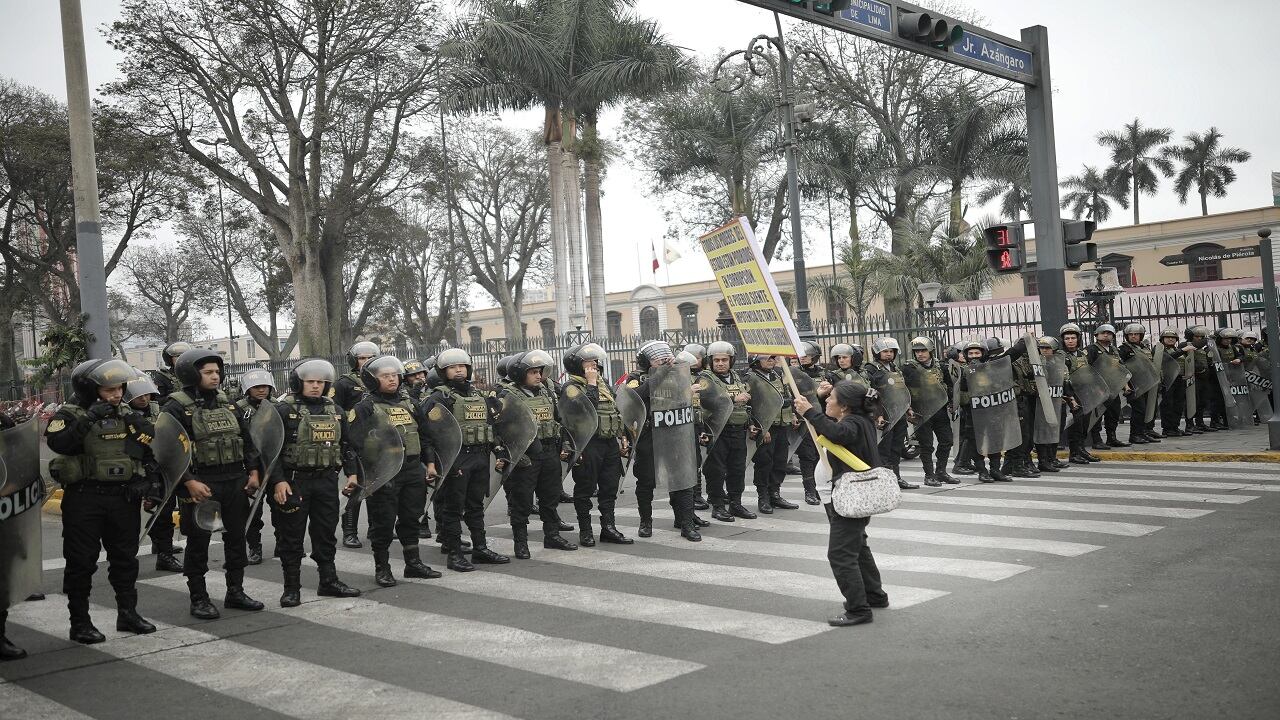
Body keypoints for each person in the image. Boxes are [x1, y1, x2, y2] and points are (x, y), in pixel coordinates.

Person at [45, 359, 160, 643]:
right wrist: (88, 419)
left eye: (119, 388)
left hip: (122, 498)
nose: (117, 394)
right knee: (81, 562)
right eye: (109, 390)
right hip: (85, 498)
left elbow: (146, 451)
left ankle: (128, 614)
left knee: (125, 559)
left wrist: (149, 482)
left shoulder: (127, 414)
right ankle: (80, 622)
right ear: (90, 390)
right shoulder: (70, 414)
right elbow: (60, 444)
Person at [162, 348, 265, 619]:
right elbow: (169, 451)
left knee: (235, 539)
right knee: (198, 543)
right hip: (201, 485)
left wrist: (253, 472)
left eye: (217, 371)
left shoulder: (228, 403)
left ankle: (236, 592)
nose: (215, 376)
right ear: (190, 373)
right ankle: (199, 598)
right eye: (208, 372)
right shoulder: (175, 406)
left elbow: (247, 441)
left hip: (234, 481)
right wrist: (189, 482)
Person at [792, 382, 888, 628]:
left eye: (831, 398)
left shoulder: (852, 424)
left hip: (851, 496)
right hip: (858, 495)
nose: (826, 402)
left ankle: (858, 609)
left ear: (845, 406)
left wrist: (809, 413)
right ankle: (874, 595)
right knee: (858, 545)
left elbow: (838, 433)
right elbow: (836, 428)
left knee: (840, 554)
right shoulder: (860, 419)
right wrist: (820, 399)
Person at [270, 359, 362, 606]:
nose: (315, 386)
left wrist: (352, 474)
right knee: (292, 537)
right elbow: (270, 451)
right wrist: (278, 481)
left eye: (320, 382)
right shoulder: (282, 409)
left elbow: (346, 446)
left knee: (326, 533)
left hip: (326, 481)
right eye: (310, 381)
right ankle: (291, 588)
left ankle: (328, 581)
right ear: (298, 383)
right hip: (294, 482)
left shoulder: (336, 411)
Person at [349, 355, 441, 587]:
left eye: (394, 375)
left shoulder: (410, 403)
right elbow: (354, 445)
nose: (392, 380)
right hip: (384, 471)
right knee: (383, 522)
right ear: (372, 380)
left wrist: (429, 463)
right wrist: (365, 475)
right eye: (385, 376)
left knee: (412, 518)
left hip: (412, 469)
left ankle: (413, 564)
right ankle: (383, 568)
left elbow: (425, 436)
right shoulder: (364, 408)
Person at [421, 349, 510, 571]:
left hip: (480, 458)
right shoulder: (438, 398)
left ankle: (480, 549)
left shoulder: (478, 395)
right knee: (453, 509)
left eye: (462, 366)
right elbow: (429, 435)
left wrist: (499, 452)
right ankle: (454, 554)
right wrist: (437, 463)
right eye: (452, 367)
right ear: (443, 372)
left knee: (475, 506)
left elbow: (491, 426)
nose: (458, 370)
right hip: (456, 461)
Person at [497, 350, 578, 556]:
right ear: (519, 374)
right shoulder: (508, 396)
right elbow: (500, 429)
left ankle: (552, 536)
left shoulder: (547, 393)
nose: (538, 376)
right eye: (532, 372)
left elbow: (559, 421)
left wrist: (566, 445)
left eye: (539, 371)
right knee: (521, 502)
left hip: (549, 452)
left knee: (550, 498)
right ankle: (521, 543)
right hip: (526, 456)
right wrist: (513, 454)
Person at [625, 341, 701, 540]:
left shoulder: (677, 374)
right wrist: (659, 374)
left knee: (682, 479)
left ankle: (686, 523)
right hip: (649, 436)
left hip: (675, 433)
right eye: (656, 358)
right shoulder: (636, 378)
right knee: (646, 480)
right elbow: (635, 399)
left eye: (665, 357)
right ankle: (646, 522)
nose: (663, 360)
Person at [561, 343, 633, 547]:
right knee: (585, 488)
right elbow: (586, 411)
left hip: (608, 443)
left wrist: (622, 437)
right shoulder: (572, 387)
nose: (594, 364)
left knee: (609, 487)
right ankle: (586, 531)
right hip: (587, 444)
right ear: (577, 364)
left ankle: (608, 528)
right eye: (588, 361)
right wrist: (591, 384)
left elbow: (614, 410)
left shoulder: (603, 383)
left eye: (595, 360)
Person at [121, 373, 184, 573]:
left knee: (165, 509)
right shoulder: (121, 414)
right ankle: (134, 555)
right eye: (138, 395)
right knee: (128, 518)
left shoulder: (160, 411)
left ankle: (163, 550)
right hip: (135, 470)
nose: (144, 398)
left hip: (160, 467)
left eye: (147, 394)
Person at [699, 341, 757, 523]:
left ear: (731, 361)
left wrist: (750, 423)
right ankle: (717, 506)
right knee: (715, 471)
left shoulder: (736, 377)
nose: (720, 363)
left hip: (738, 430)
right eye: (716, 360)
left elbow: (744, 406)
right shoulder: (705, 378)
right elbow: (709, 400)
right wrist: (733, 397)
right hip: (717, 431)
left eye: (724, 360)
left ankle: (735, 503)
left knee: (737, 470)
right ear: (711, 361)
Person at [146, 341, 191, 568]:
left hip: (187, 442)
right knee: (164, 500)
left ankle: (163, 542)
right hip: (166, 439)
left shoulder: (192, 376)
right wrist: (178, 398)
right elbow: (155, 401)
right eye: (177, 356)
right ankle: (162, 548)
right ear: (169, 359)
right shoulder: (162, 377)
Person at [336, 340, 379, 549]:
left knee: (377, 487)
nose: (367, 361)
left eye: (371, 357)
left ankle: (375, 528)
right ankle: (350, 532)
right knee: (355, 488)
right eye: (362, 358)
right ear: (354, 361)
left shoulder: (382, 379)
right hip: (355, 442)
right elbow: (334, 411)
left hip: (378, 442)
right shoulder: (344, 383)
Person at [862, 338, 918, 490]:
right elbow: (871, 395)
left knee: (896, 448)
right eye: (885, 351)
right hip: (883, 415)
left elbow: (901, 391)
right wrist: (877, 414)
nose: (888, 354)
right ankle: (882, 481)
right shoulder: (870, 370)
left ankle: (896, 477)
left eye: (891, 351)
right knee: (883, 450)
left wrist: (908, 408)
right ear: (877, 352)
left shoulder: (895, 368)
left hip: (898, 413)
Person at [235, 369, 278, 565]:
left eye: (265, 386)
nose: (261, 390)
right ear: (247, 389)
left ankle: (283, 545)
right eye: (256, 387)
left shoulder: (278, 407)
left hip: (275, 465)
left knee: (282, 508)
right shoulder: (238, 409)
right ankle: (254, 546)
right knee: (253, 511)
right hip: (251, 466)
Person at [901, 337, 955, 487]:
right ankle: (929, 476)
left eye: (923, 350)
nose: (920, 354)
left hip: (940, 410)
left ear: (930, 351)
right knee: (926, 445)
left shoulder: (941, 366)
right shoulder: (908, 368)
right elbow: (903, 390)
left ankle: (941, 472)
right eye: (917, 351)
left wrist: (952, 403)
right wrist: (908, 407)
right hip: (921, 412)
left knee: (947, 440)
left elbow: (950, 386)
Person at [955, 340, 1012, 483]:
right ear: (966, 355)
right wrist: (975, 397)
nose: (974, 356)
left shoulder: (991, 369)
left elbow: (1000, 386)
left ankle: (995, 470)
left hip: (993, 412)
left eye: (977, 352)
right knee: (976, 443)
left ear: (983, 353)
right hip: (973, 415)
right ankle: (982, 471)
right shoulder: (962, 371)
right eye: (971, 353)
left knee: (995, 440)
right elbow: (960, 395)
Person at [747, 354, 796, 513]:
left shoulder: (777, 374)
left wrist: (793, 414)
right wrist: (761, 427)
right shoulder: (751, 378)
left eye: (773, 358)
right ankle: (764, 497)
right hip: (766, 427)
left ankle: (775, 494)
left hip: (782, 424)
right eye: (766, 357)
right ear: (755, 360)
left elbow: (785, 397)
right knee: (764, 463)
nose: (771, 360)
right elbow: (751, 405)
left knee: (780, 461)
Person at [1061, 323, 1102, 465]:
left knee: (1085, 424)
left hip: (1085, 392)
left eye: (1073, 338)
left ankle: (1081, 449)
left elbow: (1088, 372)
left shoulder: (1082, 354)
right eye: (1067, 338)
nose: (1070, 341)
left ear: (1078, 339)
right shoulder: (1061, 356)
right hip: (1071, 394)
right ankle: (1074, 453)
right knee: (1075, 424)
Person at [794, 342, 826, 504]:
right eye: (802, 356)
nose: (804, 358)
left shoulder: (823, 373)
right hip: (804, 420)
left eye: (807, 355)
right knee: (807, 457)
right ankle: (809, 491)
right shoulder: (794, 374)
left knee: (821, 455)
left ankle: (821, 487)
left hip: (821, 418)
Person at [1156, 329, 1195, 436]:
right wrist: (1183, 350)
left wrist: (1187, 373)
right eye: (1167, 337)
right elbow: (1167, 359)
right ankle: (1167, 429)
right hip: (1167, 380)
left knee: (1178, 405)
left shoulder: (1176, 349)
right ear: (1162, 339)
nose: (1170, 339)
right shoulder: (1160, 349)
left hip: (1179, 380)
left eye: (1173, 337)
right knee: (1168, 405)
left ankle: (1175, 427)